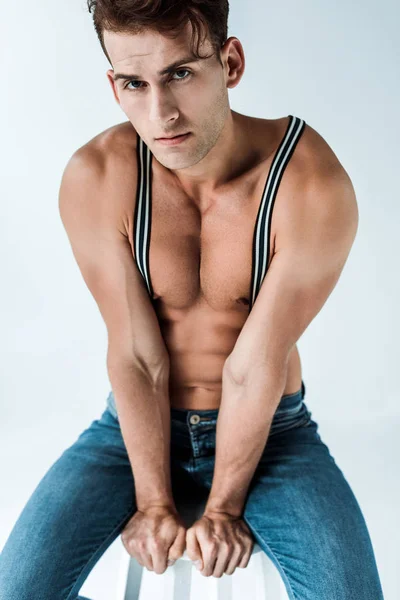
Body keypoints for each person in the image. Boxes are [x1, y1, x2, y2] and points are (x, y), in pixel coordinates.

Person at [0, 1, 384, 599]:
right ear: (114, 85)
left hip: (273, 436)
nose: (161, 113)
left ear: (229, 63)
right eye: (135, 83)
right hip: (128, 433)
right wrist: (152, 499)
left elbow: (255, 364)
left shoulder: (309, 182)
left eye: (181, 73)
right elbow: (134, 355)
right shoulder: (98, 176)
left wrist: (225, 509)